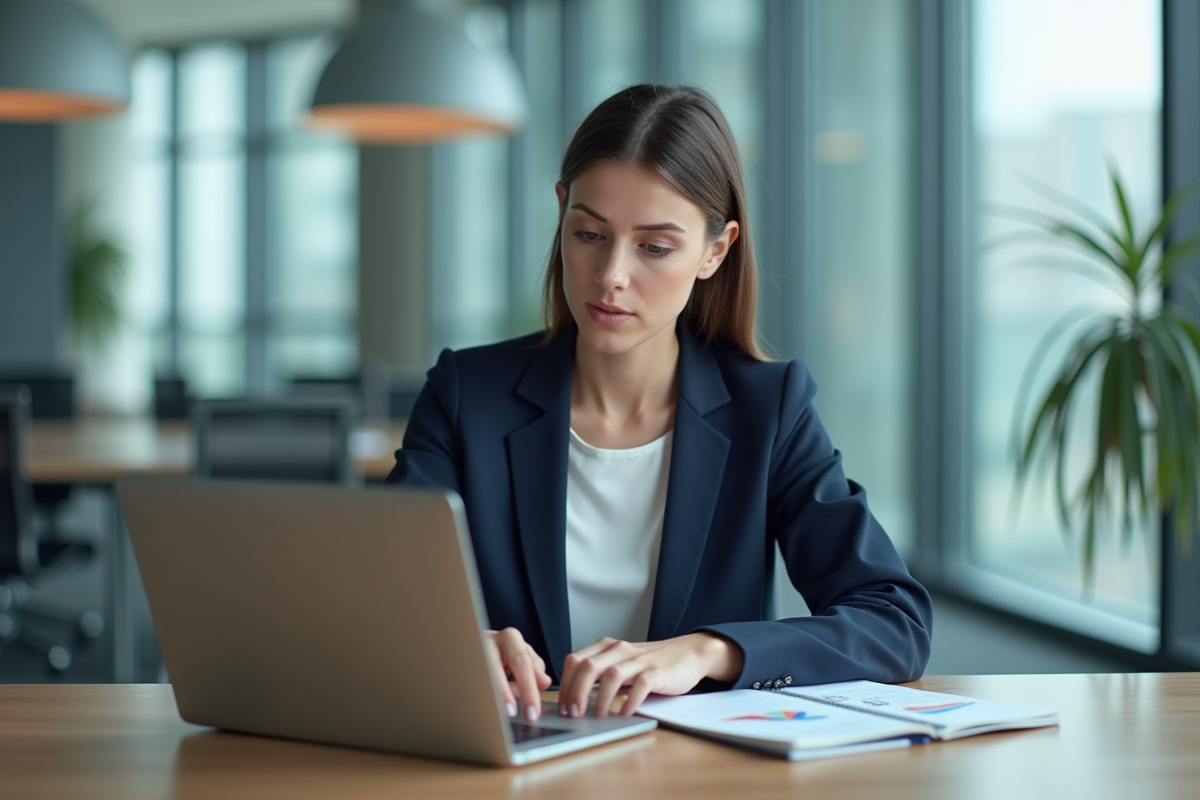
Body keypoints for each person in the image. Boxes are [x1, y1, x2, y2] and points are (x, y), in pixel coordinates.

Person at [386, 84, 932, 723]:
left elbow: (894, 621)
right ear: (561, 212)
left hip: (691, 775)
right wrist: (454, 645)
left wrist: (707, 651)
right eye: (589, 233)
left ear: (714, 251)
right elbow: (372, 596)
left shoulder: (769, 409)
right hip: (510, 765)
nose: (611, 274)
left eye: (654, 247)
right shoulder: (465, 395)